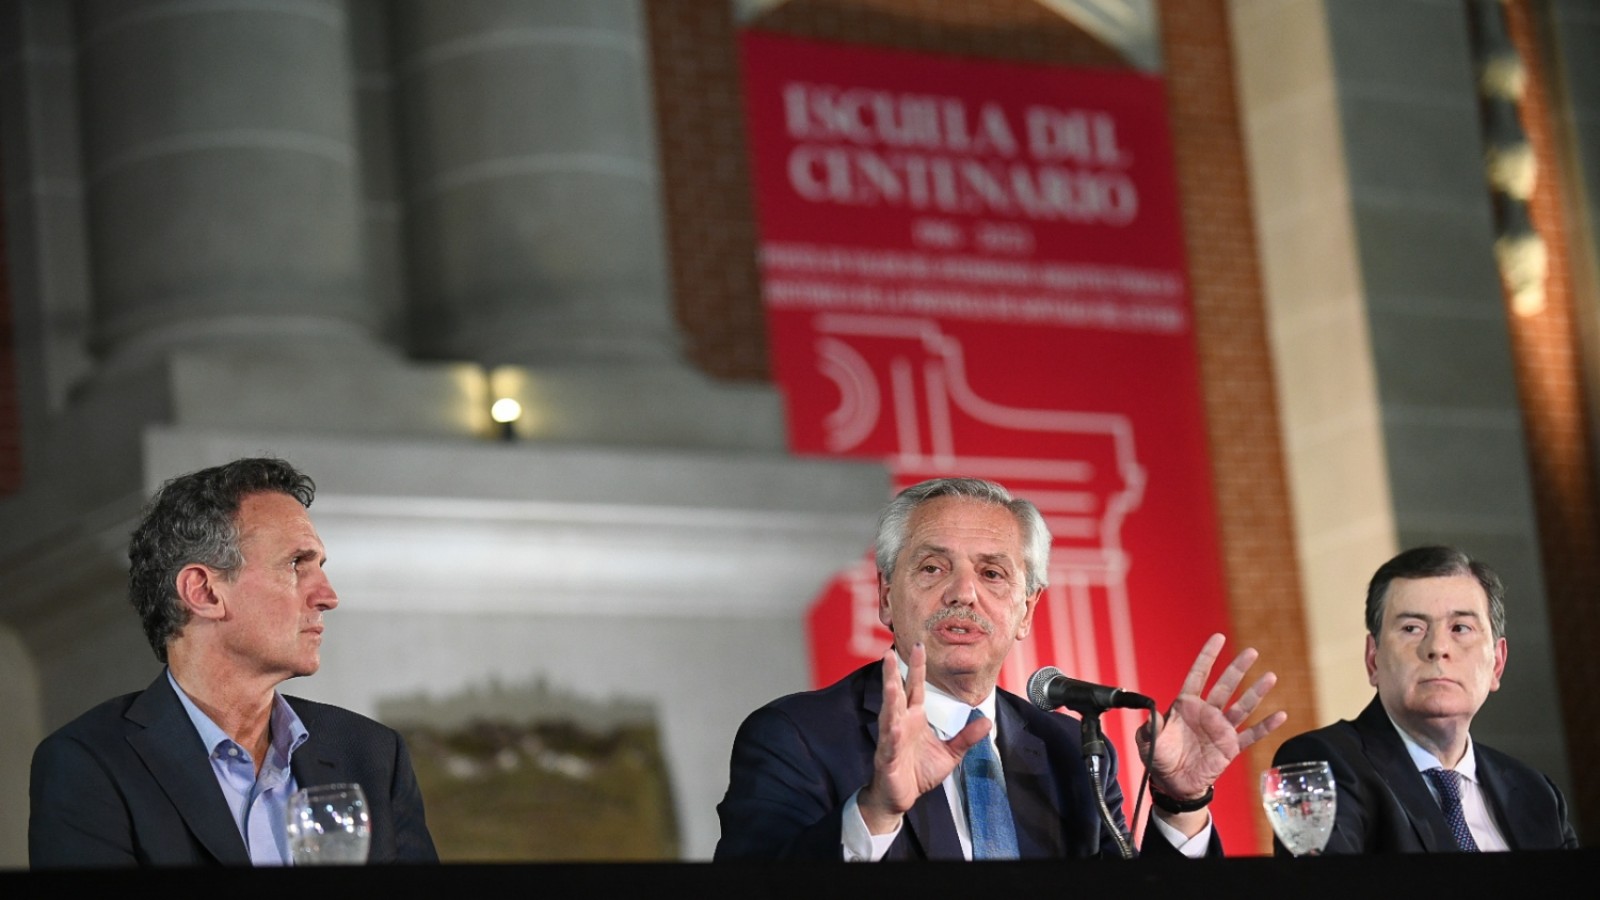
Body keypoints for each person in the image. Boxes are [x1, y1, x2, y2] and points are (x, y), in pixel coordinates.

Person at [714, 476, 1286, 860]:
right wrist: (876, 810)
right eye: (934, 568)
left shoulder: (1072, 748)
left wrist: (1179, 802)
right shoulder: (795, 736)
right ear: (886, 596)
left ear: (1026, 610)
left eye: (992, 574)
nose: (964, 593)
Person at [29, 458, 438, 867]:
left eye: (320, 568)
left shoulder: (371, 754)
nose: (328, 596)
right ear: (204, 592)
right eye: (297, 564)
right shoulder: (89, 764)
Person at [1273, 545, 1577, 853]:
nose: (1437, 648)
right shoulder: (1323, 764)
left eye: (1460, 628)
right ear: (1373, 659)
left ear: (1497, 663)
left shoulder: (1536, 793)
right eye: (1412, 629)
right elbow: (1322, 887)